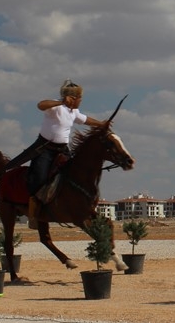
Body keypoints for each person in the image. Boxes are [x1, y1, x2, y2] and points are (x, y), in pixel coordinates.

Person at [10, 79, 105, 228]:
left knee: (72, 176)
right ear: (72, 99)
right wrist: (61, 102)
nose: (81, 101)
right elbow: (40, 105)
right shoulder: (55, 107)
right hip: (45, 149)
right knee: (39, 180)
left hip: (62, 150)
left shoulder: (74, 112)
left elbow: (85, 119)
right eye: (79, 98)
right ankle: (34, 214)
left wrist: (101, 124)